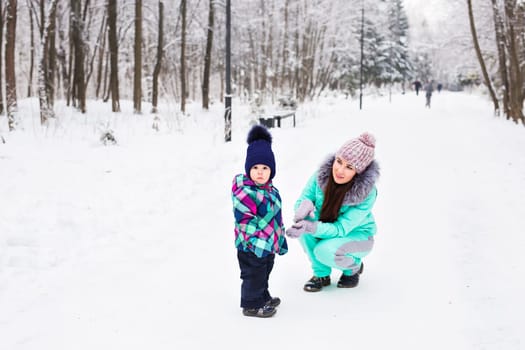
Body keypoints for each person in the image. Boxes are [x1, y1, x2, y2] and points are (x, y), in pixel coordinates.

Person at [286, 132, 380, 292]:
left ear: (359, 172)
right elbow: (303, 199)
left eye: (349, 167)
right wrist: (303, 209)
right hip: (328, 228)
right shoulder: (320, 176)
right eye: (339, 161)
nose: (340, 170)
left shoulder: (367, 194)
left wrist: (311, 227)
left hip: (358, 235)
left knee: (323, 250)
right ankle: (321, 274)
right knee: (303, 230)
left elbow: (341, 229)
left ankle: (353, 267)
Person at [231, 125, 288, 317]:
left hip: (267, 244)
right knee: (253, 274)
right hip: (251, 245)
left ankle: (262, 296)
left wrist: (279, 238)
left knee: (264, 271)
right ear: (248, 169)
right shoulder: (245, 192)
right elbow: (245, 221)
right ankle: (251, 304)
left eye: (265, 168)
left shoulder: (271, 191)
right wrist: (255, 242)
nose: (260, 172)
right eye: (255, 168)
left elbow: (276, 218)